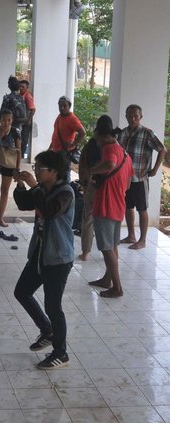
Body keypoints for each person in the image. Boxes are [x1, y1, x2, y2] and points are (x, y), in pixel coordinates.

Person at [13, 150, 74, 369]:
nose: (36, 171)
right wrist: (21, 186)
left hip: (58, 258)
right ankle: (47, 330)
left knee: (53, 305)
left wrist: (34, 186)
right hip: (40, 254)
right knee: (22, 291)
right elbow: (24, 204)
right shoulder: (44, 188)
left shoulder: (65, 192)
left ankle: (61, 353)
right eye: (36, 167)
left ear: (54, 172)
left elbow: (48, 211)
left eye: (40, 168)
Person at [88, 115, 134, 298]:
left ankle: (117, 287)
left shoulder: (109, 149)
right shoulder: (125, 153)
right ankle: (108, 279)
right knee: (112, 245)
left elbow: (110, 163)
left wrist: (91, 170)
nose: (97, 143)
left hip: (105, 205)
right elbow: (128, 184)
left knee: (106, 248)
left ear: (103, 135)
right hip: (118, 205)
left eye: (97, 138)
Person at [118, 104, 167, 250]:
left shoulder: (147, 133)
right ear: (126, 116)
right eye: (130, 115)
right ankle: (131, 235)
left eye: (136, 116)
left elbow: (162, 150)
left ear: (140, 117)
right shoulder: (123, 133)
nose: (132, 118)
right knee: (127, 207)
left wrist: (155, 169)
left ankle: (143, 240)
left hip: (140, 178)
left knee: (142, 208)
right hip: (125, 179)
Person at [77, 136, 101, 260]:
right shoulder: (115, 147)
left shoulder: (90, 144)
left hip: (92, 185)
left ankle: (85, 253)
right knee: (108, 219)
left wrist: (84, 184)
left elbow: (83, 166)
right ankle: (111, 250)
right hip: (108, 188)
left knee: (88, 218)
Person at [19, 79, 36, 158]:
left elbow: (33, 109)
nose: (21, 88)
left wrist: (29, 119)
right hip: (21, 121)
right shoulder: (20, 95)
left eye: (23, 87)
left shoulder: (28, 96)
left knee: (24, 138)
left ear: (27, 88)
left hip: (26, 122)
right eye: (20, 86)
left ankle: (22, 153)